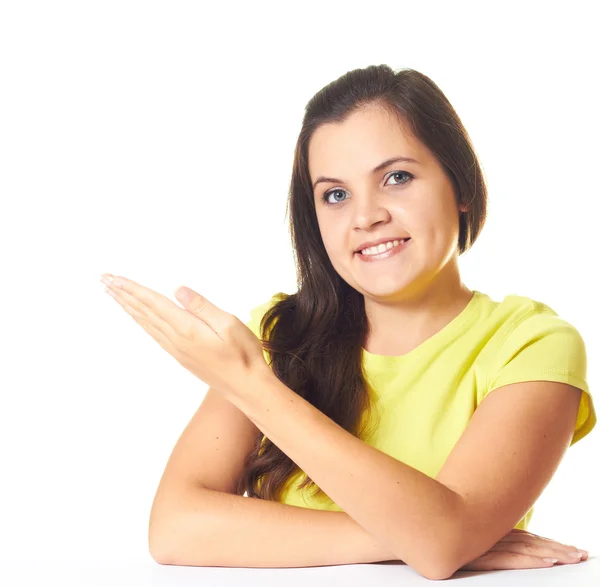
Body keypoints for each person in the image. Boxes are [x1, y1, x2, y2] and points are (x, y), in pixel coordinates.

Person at [235, 66, 595, 572]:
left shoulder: (531, 344)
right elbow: (173, 527)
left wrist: (254, 391)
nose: (366, 217)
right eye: (335, 194)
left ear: (461, 184)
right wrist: (417, 533)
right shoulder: (277, 337)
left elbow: (441, 552)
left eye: (396, 177)